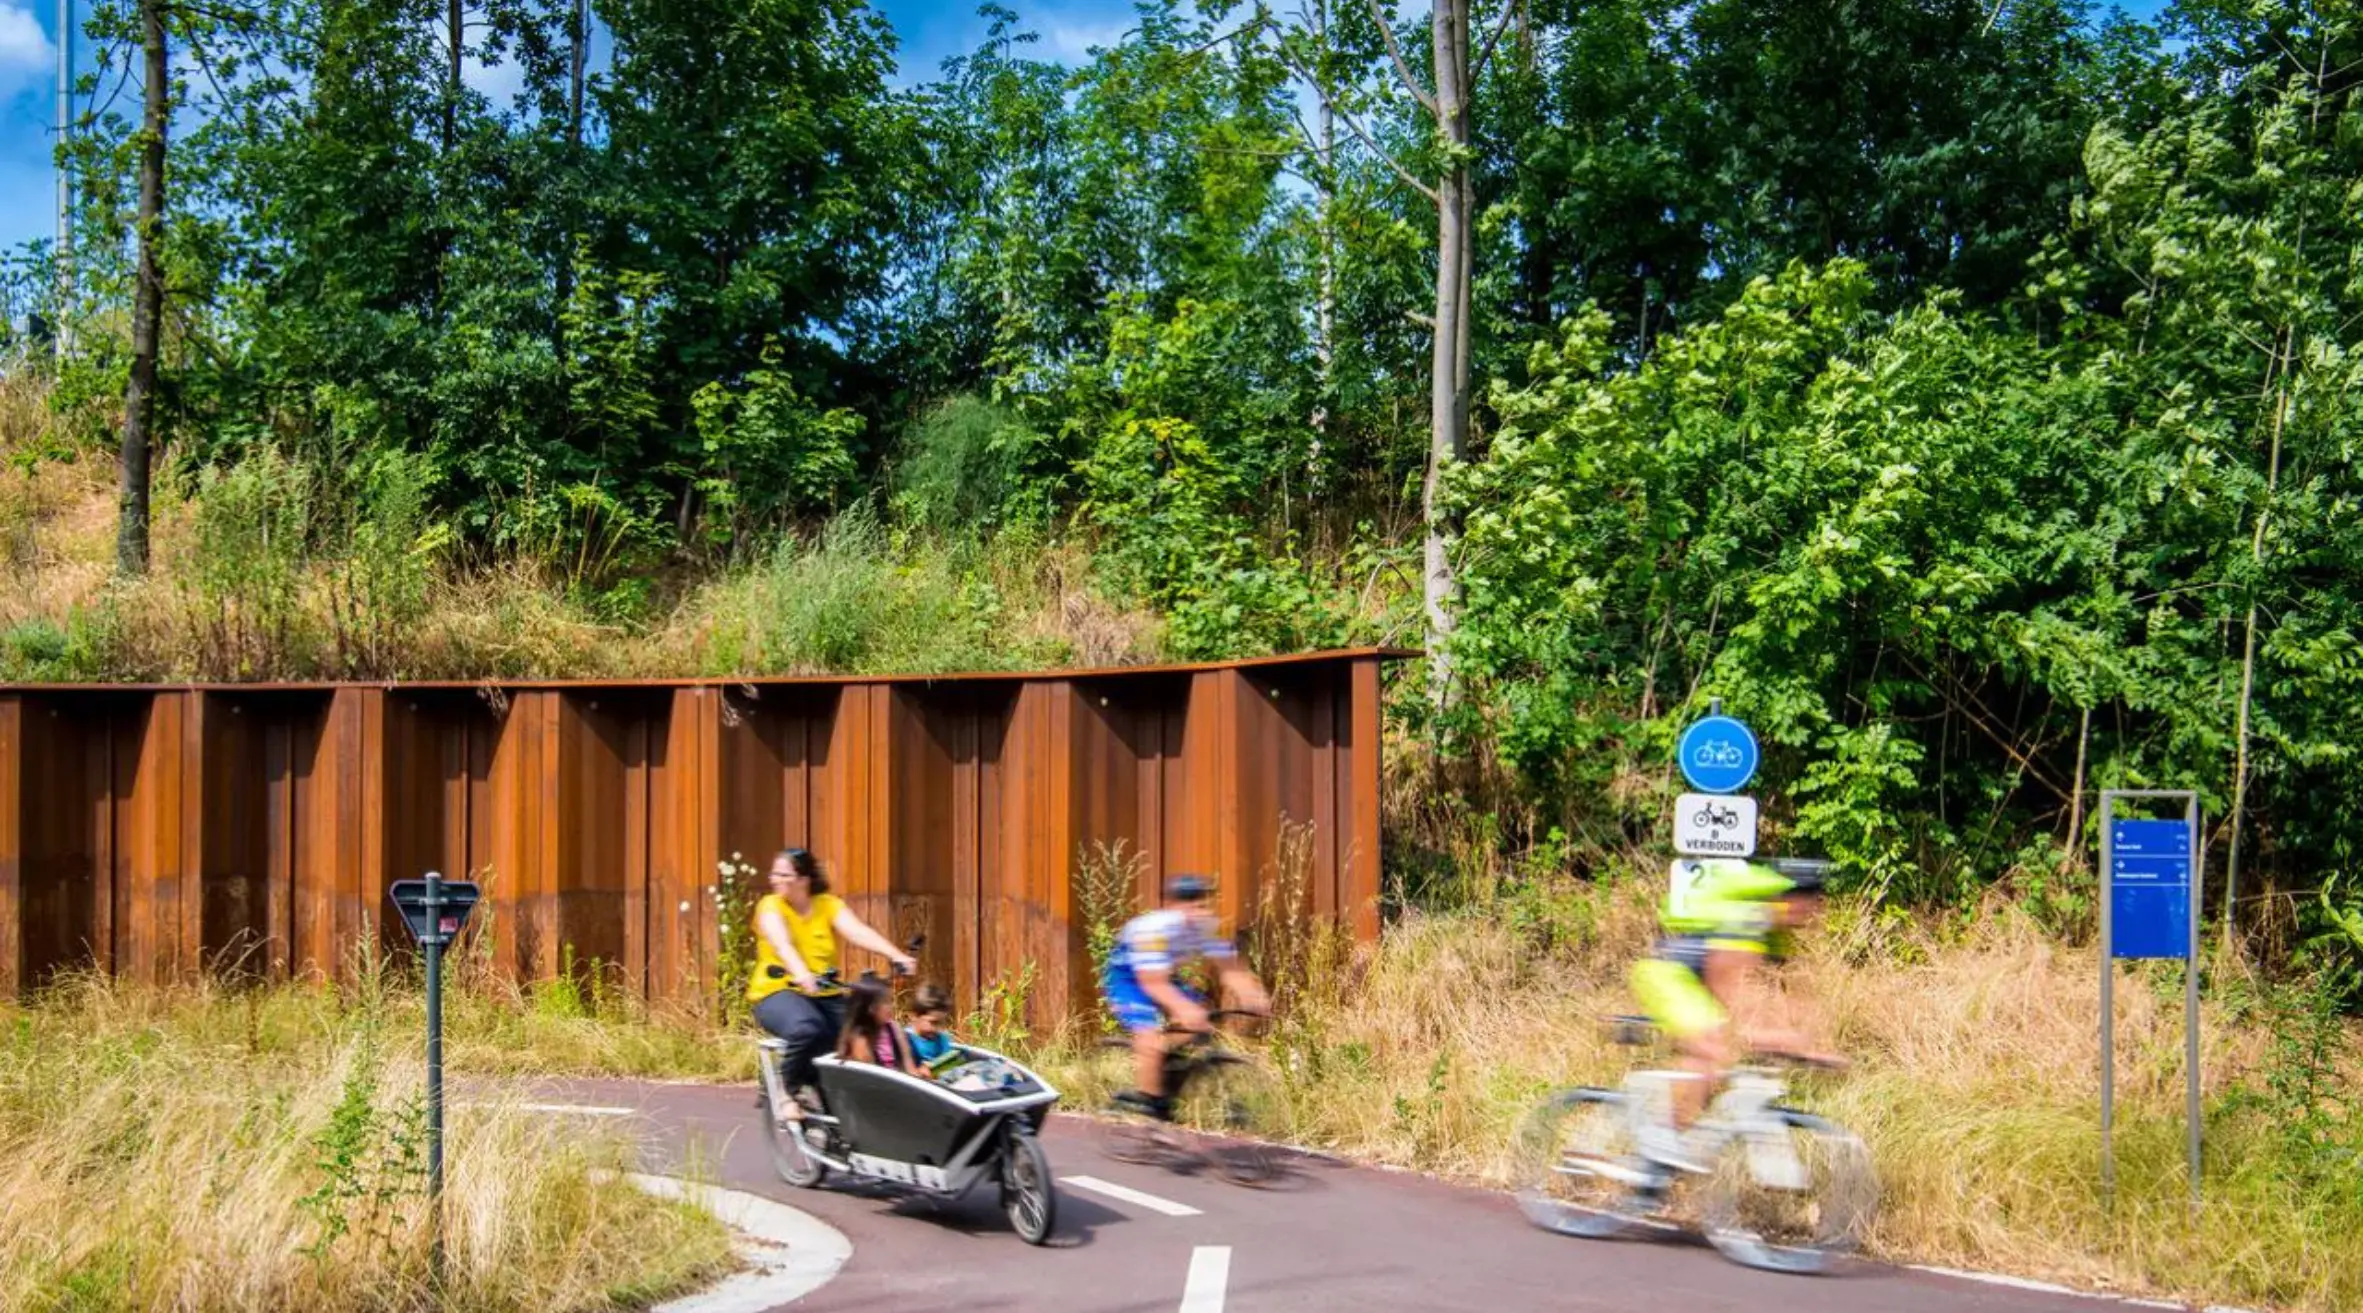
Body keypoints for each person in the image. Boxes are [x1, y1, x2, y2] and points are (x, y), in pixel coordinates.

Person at [1629, 857, 1840, 1172]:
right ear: (1789, 899)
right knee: (1711, 1045)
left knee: (1716, 1059)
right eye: (1811, 903)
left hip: (1691, 984)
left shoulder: (1775, 931)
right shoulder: (1745, 922)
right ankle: (1661, 1139)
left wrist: (1806, 1040)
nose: (1815, 913)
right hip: (1665, 977)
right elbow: (1734, 999)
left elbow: (1777, 996)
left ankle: (1662, 1165)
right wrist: (1779, 1040)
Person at [747, 848, 917, 1123]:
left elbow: (857, 931)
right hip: (778, 991)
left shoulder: (827, 905)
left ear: (804, 879)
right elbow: (782, 943)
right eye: (774, 873)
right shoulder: (770, 906)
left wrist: (896, 955)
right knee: (807, 1028)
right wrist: (801, 972)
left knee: (866, 1031)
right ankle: (785, 1089)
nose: (774, 879)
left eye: (783, 874)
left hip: (824, 992)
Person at [1101, 873, 1269, 1121]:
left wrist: (1253, 995)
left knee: (1201, 1012)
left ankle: (1162, 1064)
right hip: (1129, 978)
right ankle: (1150, 1099)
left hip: (1164, 974)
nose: (1195, 910)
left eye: (1200, 903)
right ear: (1172, 906)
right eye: (1187, 903)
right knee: (1148, 1031)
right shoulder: (1154, 930)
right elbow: (1152, 983)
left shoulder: (1207, 927)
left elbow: (1231, 969)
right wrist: (1183, 1009)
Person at [837, 975, 927, 1077]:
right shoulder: (861, 1041)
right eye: (886, 1002)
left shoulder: (894, 1028)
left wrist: (920, 1075)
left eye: (891, 1001)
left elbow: (910, 1068)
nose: (891, 1006)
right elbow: (873, 1081)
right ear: (871, 1009)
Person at [905, 982, 959, 1070]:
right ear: (914, 1016)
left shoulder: (942, 1038)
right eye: (933, 1022)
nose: (937, 1028)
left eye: (941, 1022)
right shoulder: (906, 1040)